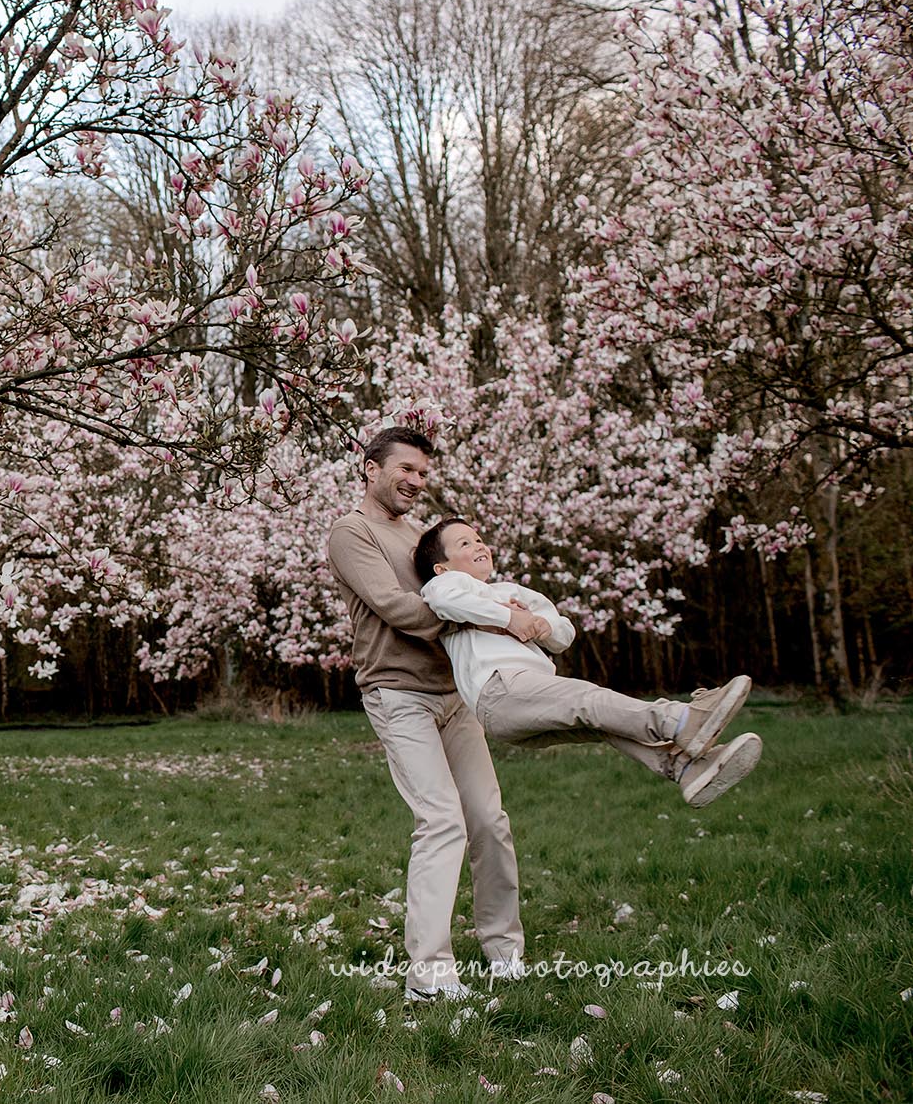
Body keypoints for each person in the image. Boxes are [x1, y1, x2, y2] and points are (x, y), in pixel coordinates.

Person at [326, 427, 536, 1002]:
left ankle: (504, 951)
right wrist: (490, 617)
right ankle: (430, 975)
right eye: (407, 470)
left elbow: (466, 592)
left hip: (453, 695)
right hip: (398, 695)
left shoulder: (423, 536)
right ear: (371, 469)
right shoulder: (352, 531)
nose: (417, 482)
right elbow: (396, 607)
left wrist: (500, 608)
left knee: (489, 820)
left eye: (424, 473)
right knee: (442, 821)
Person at [413, 517, 762, 808]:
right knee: (589, 699)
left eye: (478, 539)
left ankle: (683, 767)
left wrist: (541, 625)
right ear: (442, 567)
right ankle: (680, 720)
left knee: (601, 723)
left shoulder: (512, 590)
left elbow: (563, 632)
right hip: (501, 688)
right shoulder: (450, 585)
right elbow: (446, 599)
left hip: (521, 699)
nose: (478, 546)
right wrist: (508, 618)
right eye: (464, 544)